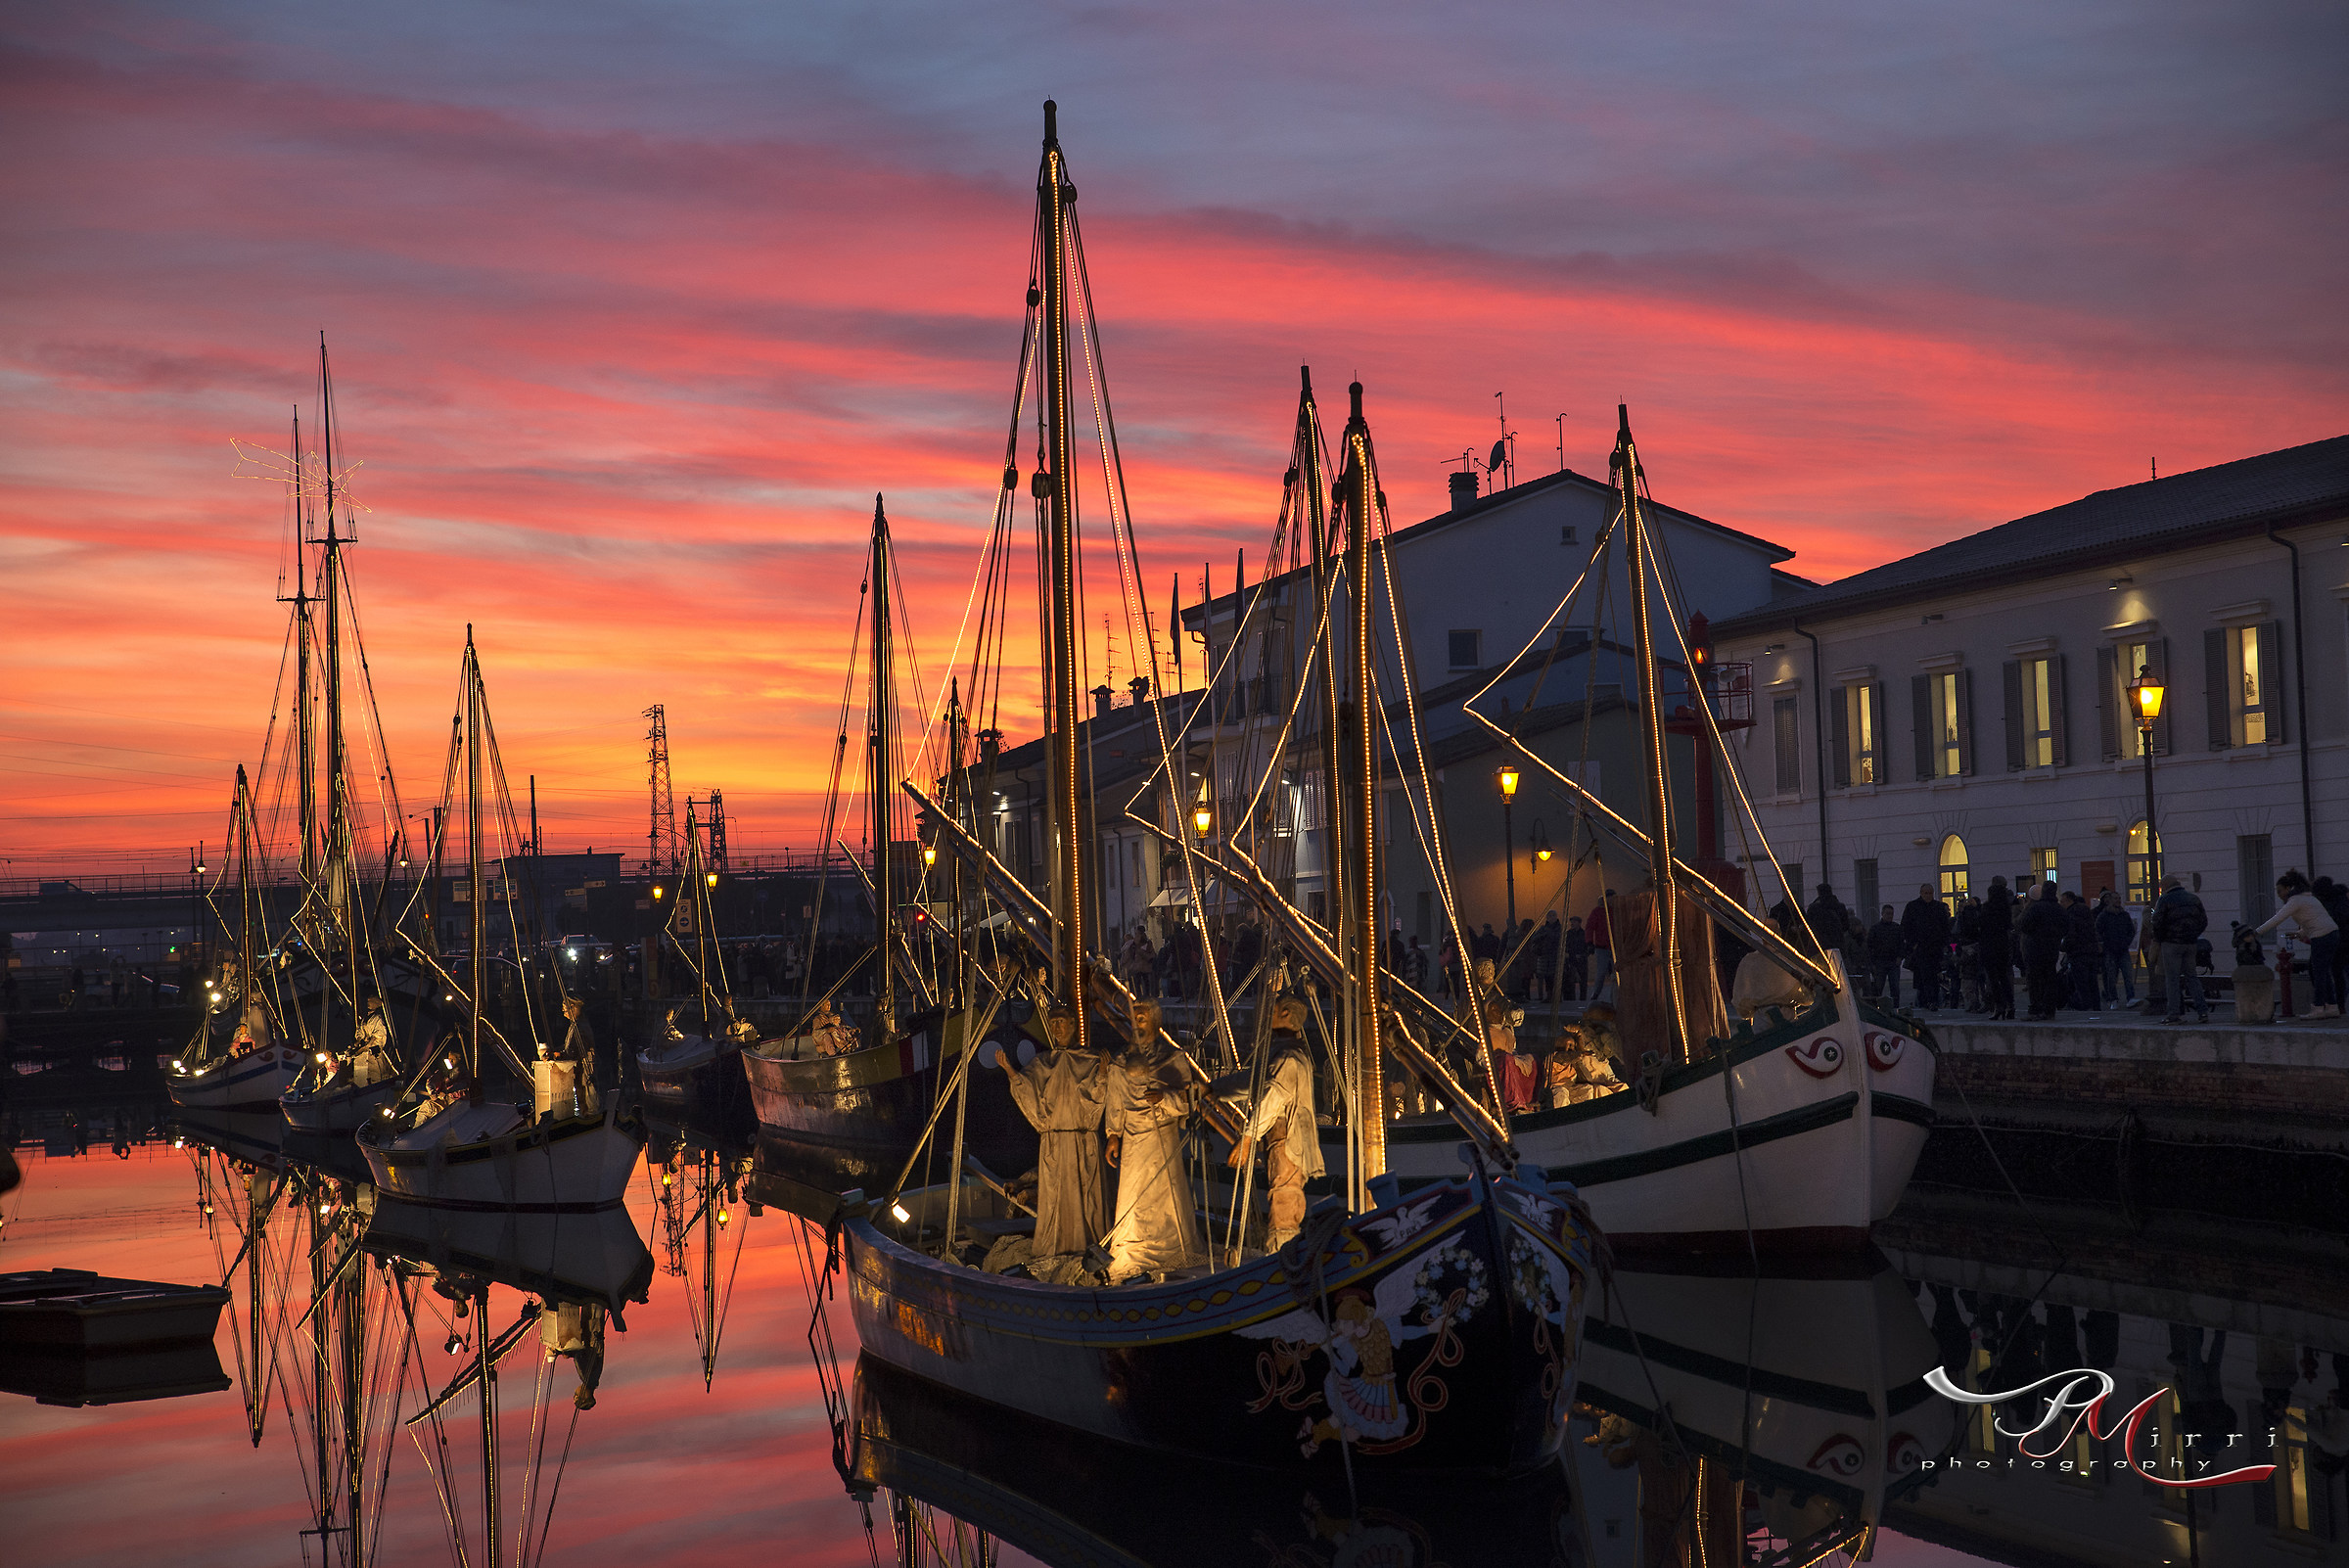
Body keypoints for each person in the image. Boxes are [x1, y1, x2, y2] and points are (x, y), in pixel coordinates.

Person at [1103, 1000, 1205, 1282]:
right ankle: (1133, 1245)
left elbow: (1189, 1099)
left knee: (1164, 1194)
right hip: (1133, 1140)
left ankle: (1169, 1246)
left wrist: (1165, 1098)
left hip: (1162, 1135)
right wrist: (1113, 1134)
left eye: (1143, 1017)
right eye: (1134, 1017)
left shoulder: (1172, 1058)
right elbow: (1115, 1097)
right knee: (1133, 1195)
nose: (1137, 1022)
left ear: (1156, 1021)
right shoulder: (1121, 1061)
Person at [996, 1007, 1110, 1262]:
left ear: (1073, 1024)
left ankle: (1089, 1245)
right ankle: (1059, 1246)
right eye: (1053, 1022)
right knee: (1056, 1199)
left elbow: (1098, 1097)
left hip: (1083, 1139)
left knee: (1085, 1196)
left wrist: (1102, 1073)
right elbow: (1026, 1091)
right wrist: (1010, 1071)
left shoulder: (1089, 1059)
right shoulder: (1042, 1062)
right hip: (1055, 1142)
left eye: (1062, 1022)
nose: (1057, 1028)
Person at [1230, 996, 1322, 1250]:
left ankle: (1281, 1259)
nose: (1265, 1013)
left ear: (1284, 1014)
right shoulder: (1284, 1054)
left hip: (1287, 1141)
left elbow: (1273, 1098)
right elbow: (1253, 1081)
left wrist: (1248, 1138)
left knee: (1284, 1198)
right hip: (1281, 1139)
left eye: (1271, 1009)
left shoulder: (1289, 1058)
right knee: (1282, 1195)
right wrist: (1212, 1089)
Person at [2254, 870, 2342, 1019]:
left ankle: (2318, 1008)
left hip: (2321, 936)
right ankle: (2332, 1006)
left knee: (2318, 973)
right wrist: (2300, 934)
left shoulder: (2295, 901)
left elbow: (2278, 918)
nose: (2279, 894)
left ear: (2288, 889)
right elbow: (2312, 920)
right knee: (2323, 972)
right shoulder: (2307, 898)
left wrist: (2256, 932)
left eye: (2280, 891)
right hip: (2332, 933)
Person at [2147, 875, 2211, 1024]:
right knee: (2192, 977)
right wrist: (2193, 935)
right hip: (2190, 943)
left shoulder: (2165, 899)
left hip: (2171, 943)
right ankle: (2203, 1012)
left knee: (2172, 979)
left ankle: (2174, 1014)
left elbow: (2156, 922)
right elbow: (2203, 921)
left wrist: (2161, 938)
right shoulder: (2193, 899)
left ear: (2165, 886)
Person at [2017, 884, 2068, 1019]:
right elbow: (2066, 927)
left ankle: (2035, 1009)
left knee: (2034, 980)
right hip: (2051, 949)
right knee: (2050, 979)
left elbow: (2023, 925)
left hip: (2034, 948)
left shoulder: (2036, 908)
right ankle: (2049, 1010)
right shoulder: (2059, 909)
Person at [1901, 884, 1953, 1010]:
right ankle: (1928, 1001)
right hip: (1921, 948)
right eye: (1926, 893)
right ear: (1921, 893)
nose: (1928, 896)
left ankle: (1930, 1001)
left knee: (1932, 975)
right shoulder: (1913, 907)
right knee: (1924, 975)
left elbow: (1945, 928)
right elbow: (1906, 927)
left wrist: (1945, 944)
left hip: (1935, 947)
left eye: (1930, 893)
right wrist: (1913, 944)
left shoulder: (1938, 907)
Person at [1977, 879, 2016, 1019]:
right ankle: (2010, 1005)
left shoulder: (1987, 908)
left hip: (1989, 945)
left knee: (1993, 979)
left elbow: (1981, 924)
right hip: (2002, 945)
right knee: (2004, 977)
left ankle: (1999, 1006)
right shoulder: (2006, 908)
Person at [2095, 891, 2138, 1006]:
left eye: (2119, 898)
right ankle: (2113, 998)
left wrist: (2126, 941)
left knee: (2127, 975)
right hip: (2110, 949)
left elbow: (2131, 930)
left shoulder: (2124, 915)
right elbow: (2097, 931)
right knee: (2111, 977)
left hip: (2122, 949)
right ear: (2110, 901)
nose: (2118, 901)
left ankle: (2130, 997)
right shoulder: (2104, 915)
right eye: (2115, 899)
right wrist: (2103, 943)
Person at [349, 993, 395, 1087]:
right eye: (367, 1001)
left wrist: (369, 1044)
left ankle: (376, 1087)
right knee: (361, 1074)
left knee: (375, 1072)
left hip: (373, 1050)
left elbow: (379, 1034)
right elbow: (360, 1031)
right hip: (363, 1052)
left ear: (376, 1003)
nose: (368, 1003)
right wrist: (358, 1040)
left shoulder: (377, 1018)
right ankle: (361, 1088)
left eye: (370, 1001)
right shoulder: (365, 1018)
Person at [1865, 904, 1904, 1006]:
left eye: (1891, 914)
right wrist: (1872, 962)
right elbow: (1870, 946)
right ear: (1882, 914)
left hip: (1892, 961)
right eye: (1887, 914)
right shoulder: (1876, 929)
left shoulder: (1896, 928)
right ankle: (1878, 1006)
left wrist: (1900, 957)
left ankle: (1894, 1006)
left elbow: (1901, 944)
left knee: (1894, 987)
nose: (1889, 916)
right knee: (1879, 988)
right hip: (1880, 962)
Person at [1805, 883, 1850, 959]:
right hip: (1837, 943)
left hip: (1819, 944)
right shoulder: (1839, 906)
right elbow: (1846, 926)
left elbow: (1808, 924)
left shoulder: (1814, 908)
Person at [1587, 895, 1616, 992]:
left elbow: (1590, 928)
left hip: (1611, 946)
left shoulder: (1612, 911)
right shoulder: (1598, 912)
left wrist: (1590, 942)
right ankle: (1597, 992)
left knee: (1611, 972)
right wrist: (1589, 942)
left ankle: (1613, 993)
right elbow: (1590, 928)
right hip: (1603, 947)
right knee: (1602, 972)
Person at [1563, 916, 1589, 1002]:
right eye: (1571, 922)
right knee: (1570, 981)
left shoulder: (1584, 934)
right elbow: (1566, 947)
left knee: (1583, 981)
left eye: (1574, 922)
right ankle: (1571, 999)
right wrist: (1572, 955)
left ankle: (1582, 999)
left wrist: (1583, 955)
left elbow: (1588, 947)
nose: (1572, 924)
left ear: (1579, 923)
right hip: (1571, 960)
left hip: (1581, 960)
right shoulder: (1568, 934)